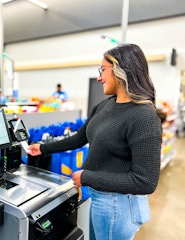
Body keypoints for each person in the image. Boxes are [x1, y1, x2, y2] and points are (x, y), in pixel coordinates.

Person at [28, 43, 162, 240]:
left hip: (118, 205)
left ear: (120, 70)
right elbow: (79, 138)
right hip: (100, 198)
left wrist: (88, 177)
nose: (99, 77)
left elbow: (145, 182)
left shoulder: (143, 117)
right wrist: (43, 148)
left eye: (103, 70)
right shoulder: (105, 106)